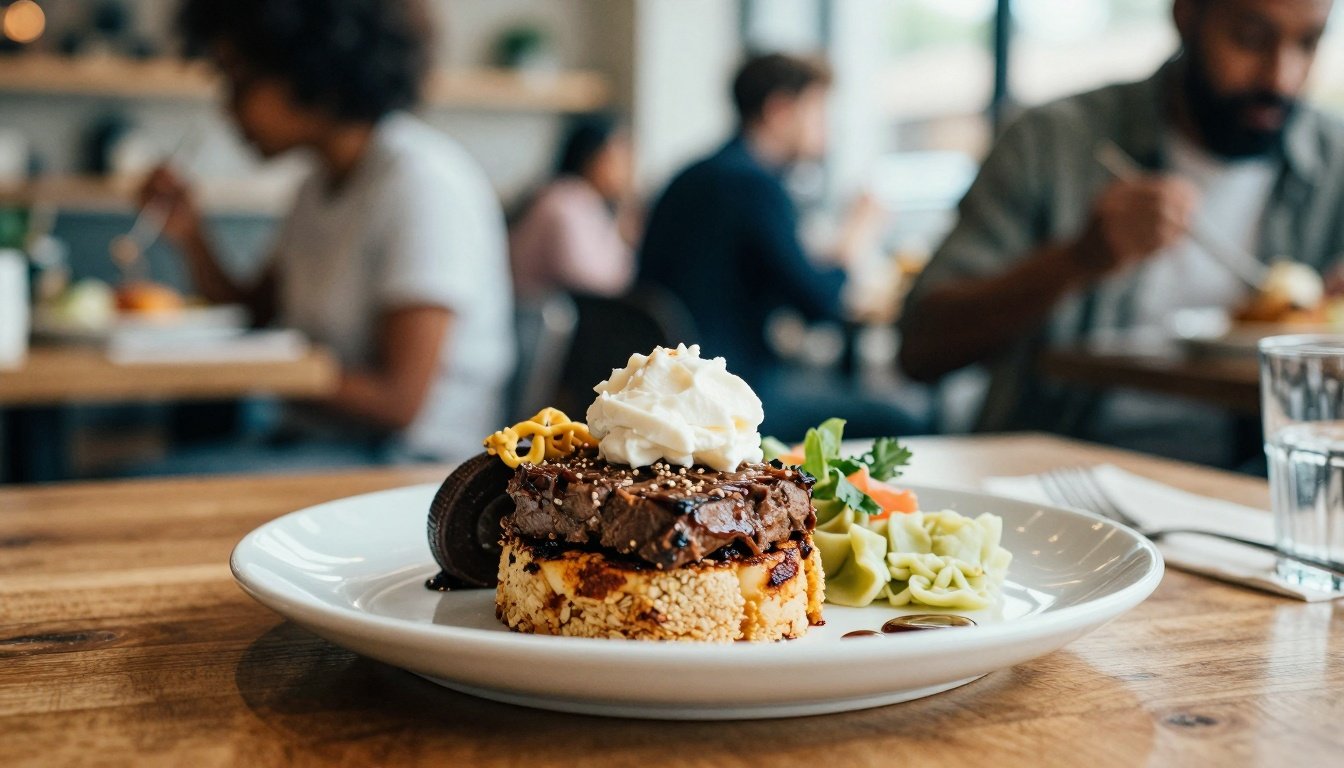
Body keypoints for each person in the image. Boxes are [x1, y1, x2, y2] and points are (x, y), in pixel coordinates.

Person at [899, 0, 1344, 460]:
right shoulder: (1052, 140)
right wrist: (1077, 260)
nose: (1281, 77)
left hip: (1253, 479)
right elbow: (919, 349)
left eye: (1308, 43)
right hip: (1053, 473)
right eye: (1249, 39)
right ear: (1186, 15)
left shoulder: (1336, 161)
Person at [141, 0, 513, 467]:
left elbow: (399, 403)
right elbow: (255, 314)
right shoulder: (315, 188)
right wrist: (190, 234)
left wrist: (270, 369)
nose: (228, 109)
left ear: (310, 72)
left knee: (135, 483)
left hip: (404, 464)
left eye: (242, 83)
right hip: (313, 441)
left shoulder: (420, 183)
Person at [639, 53, 915, 440]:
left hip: (668, 389)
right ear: (780, 110)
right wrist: (857, 234)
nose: (826, 129)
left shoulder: (692, 175)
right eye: (817, 112)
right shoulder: (755, 186)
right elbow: (822, 305)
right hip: (729, 393)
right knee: (903, 418)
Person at [509, 113, 637, 299]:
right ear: (590, 158)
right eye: (616, 157)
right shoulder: (563, 203)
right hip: (539, 311)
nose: (625, 169)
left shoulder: (586, 202)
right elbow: (589, 280)